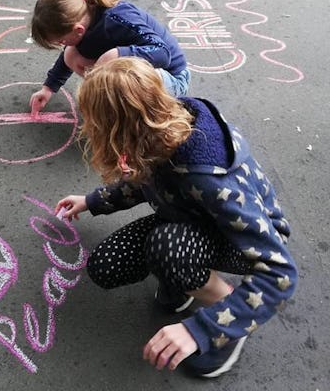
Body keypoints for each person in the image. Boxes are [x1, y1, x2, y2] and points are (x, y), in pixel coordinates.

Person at [56, 57, 297, 378]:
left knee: (168, 247)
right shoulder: (158, 125)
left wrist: (201, 329)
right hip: (193, 217)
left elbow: (280, 273)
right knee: (107, 265)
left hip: (242, 242)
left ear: (117, 129)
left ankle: (225, 318)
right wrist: (91, 201)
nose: (88, 130)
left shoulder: (208, 177)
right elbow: (147, 179)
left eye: (93, 124)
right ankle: (184, 276)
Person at [29, 0, 190, 116]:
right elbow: (67, 53)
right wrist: (48, 88)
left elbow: (163, 53)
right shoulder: (84, 20)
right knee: (71, 54)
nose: (61, 44)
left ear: (78, 29)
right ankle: (114, 99)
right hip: (140, 69)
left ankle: (141, 111)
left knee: (112, 68)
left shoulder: (119, 19)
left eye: (61, 40)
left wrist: (116, 55)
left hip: (171, 76)